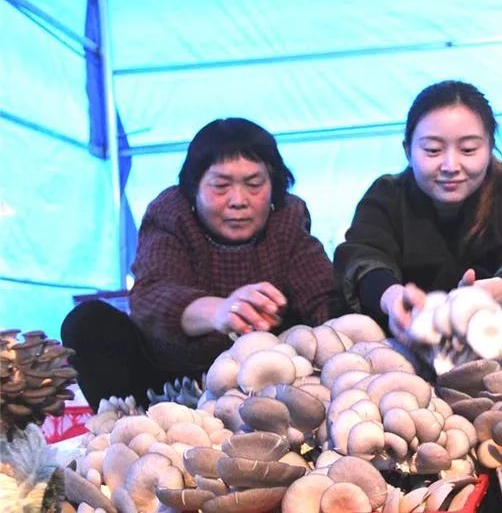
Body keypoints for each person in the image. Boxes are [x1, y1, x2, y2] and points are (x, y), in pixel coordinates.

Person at [61, 118, 336, 409]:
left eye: (254, 185)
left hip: (266, 383)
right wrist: (220, 310)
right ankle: (121, 429)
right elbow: (152, 295)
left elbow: (321, 294)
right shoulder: (171, 214)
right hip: (170, 379)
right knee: (87, 323)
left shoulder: (287, 218)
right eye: (220, 186)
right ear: (194, 189)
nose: (238, 201)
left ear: (274, 187)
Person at [334, 80, 502, 343]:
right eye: (433, 150)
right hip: (401, 344)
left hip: (498, 341)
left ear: (489, 148)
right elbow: (363, 257)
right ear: (408, 150)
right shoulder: (386, 196)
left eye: (468, 150)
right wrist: (393, 298)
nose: (451, 165)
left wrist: (494, 292)